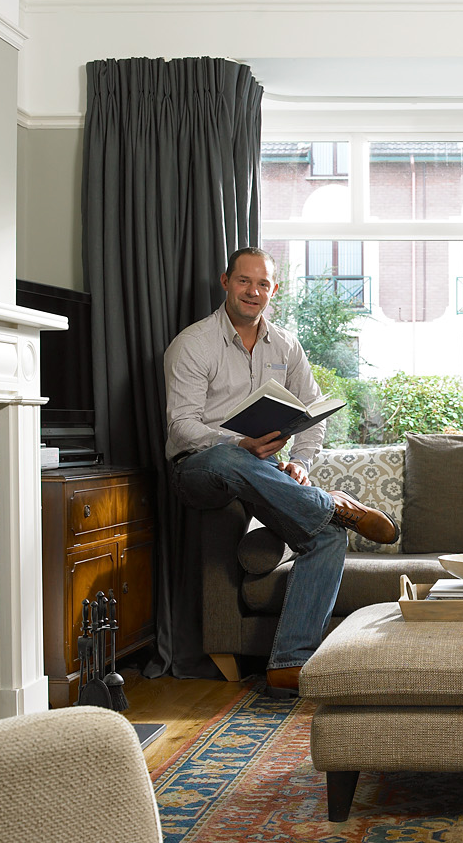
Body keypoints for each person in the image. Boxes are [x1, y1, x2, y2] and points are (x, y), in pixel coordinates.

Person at [164, 247, 396, 696]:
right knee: (231, 457)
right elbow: (181, 427)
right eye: (244, 281)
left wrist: (301, 462)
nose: (254, 292)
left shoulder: (286, 344)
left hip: (261, 468)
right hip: (199, 469)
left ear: (275, 289)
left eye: (263, 284)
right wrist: (239, 443)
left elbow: (314, 414)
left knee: (329, 537)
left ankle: (289, 662)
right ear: (225, 282)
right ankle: (329, 504)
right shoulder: (193, 344)